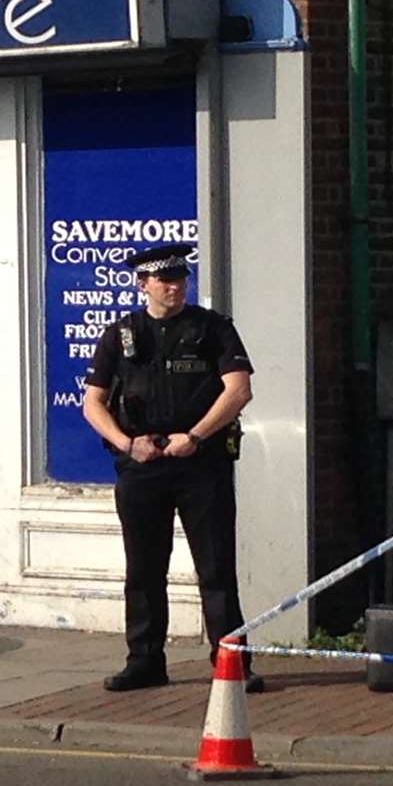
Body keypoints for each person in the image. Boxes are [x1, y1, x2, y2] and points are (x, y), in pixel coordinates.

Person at [81, 242, 258, 692]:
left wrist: (195, 436)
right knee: (143, 569)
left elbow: (238, 390)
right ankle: (144, 660)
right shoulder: (120, 334)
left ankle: (232, 663)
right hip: (142, 465)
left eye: (180, 278)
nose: (175, 287)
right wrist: (126, 443)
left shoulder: (211, 329)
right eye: (164, 280)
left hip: (201, 463)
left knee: (216, 567)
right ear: (143, 284)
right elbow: (93, 403)